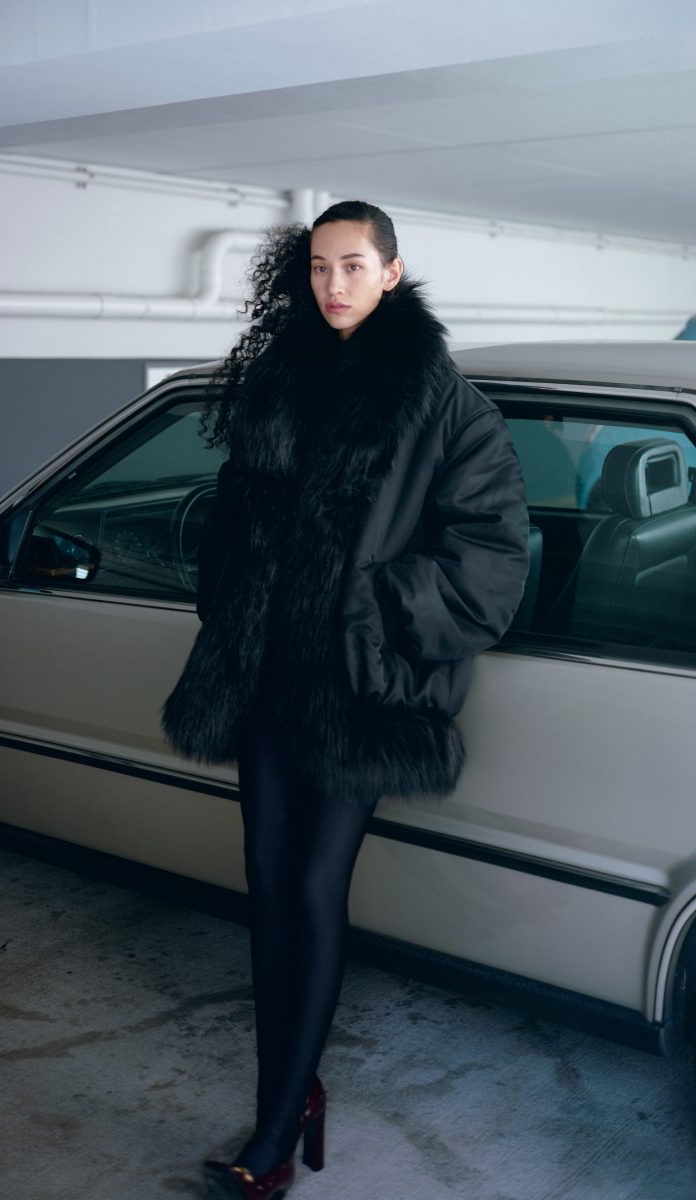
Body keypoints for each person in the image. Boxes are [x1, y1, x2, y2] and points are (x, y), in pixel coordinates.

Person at [162, 200, 530, 1199]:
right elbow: (233, 518)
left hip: (357, 687)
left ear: (392, 273)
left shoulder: (442, 403)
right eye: (320, 266)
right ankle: (288, 1097)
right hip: (265, 677)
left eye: (353, 266)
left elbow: (491, 562)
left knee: (315, 889)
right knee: (267, 886)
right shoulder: (279, 381)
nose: (333, 284)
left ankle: (273, 1137)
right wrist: (232, 599)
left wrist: (366, 605)